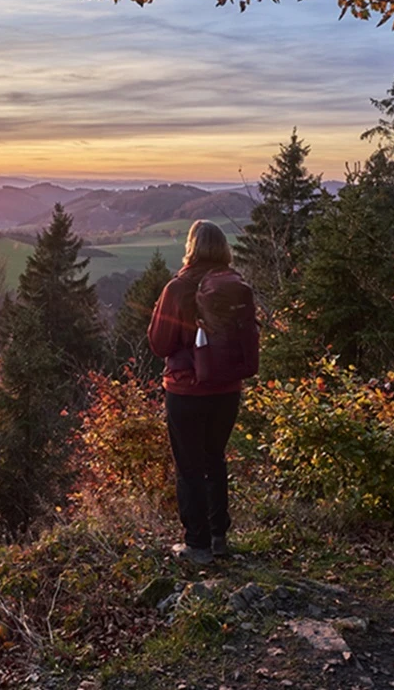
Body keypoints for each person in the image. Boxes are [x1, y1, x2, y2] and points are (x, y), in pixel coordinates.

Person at [147, 220, 245, 564]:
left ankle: (196, 544)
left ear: (192, 246)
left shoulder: (177, 289)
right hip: (228, 389)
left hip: (186, 390)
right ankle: (219, 537)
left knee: (189, 466)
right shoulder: (235, 285)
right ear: (222, 248)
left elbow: (160, 344)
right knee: (214, 459)